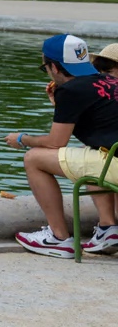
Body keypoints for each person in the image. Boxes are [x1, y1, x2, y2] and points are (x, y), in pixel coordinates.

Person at [7, 34, 118, 256]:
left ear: (54, 67)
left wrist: (22, 139)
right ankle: (108, 229)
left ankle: (58, 238)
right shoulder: (112, 82)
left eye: (45, 68)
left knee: (34, 158)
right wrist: (61, 106)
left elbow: (56, 143)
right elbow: (100, 129)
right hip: (112, 157)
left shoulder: (71, 89)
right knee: (90, 156)